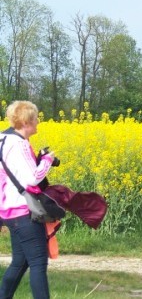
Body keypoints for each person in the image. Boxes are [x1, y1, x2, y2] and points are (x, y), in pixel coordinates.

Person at [0, 101, 58, 299]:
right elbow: (33, 178)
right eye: (35, 118)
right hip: (24, 211)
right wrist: (47, 160)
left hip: (8, 210)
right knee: (38, 263)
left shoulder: (3, 140)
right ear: (26, 122)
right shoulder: (20, 144)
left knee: (21, 261)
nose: (38, 122)